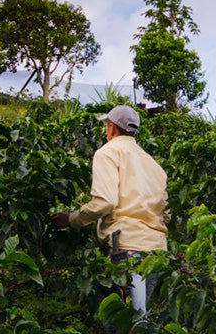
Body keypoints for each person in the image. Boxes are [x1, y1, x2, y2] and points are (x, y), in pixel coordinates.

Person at [49, 105, 168, 314]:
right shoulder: (153, 164)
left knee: (131, 321)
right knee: (144, 321)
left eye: (106, 124)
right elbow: (165, 212)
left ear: (111, 127)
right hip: (157, 250)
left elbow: (105, 202)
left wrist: (72, 219)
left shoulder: (108, 152)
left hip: (128, 248)